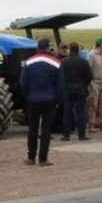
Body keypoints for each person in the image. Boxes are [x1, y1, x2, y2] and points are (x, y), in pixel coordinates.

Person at [20, 37, 64, 165]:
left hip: (33, 99)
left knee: (32, 128)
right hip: (49, 99)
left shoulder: (29, 62)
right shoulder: (56, 62)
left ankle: (31, 156)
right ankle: (43, 158)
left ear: (37, 48)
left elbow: (23, 83)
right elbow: (60, 85)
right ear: (48, 48)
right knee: (46, 129)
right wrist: (57, 100)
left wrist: (28, 96)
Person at [60, 42, 92, 141]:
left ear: (70, 49)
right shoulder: (83, 61)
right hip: (80, 89)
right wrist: (84, 85)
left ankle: (66, 135)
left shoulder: (63, 62)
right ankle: (81, 135)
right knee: (80, 112)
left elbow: (60, 76)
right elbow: (90, 76)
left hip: (67, 90)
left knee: (67, 112)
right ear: (78, 49)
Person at [86, 37, 102, 132]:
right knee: (93, 104)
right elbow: (88, 68)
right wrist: (90, 82)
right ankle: (91, 125)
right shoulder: (91, 55)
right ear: (100, 45)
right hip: (94, 82)